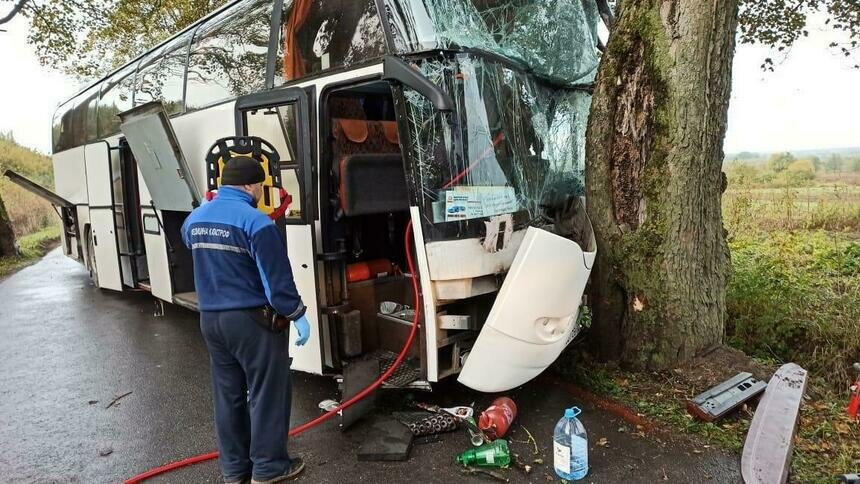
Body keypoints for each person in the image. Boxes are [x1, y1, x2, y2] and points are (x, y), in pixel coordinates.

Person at [182, 155, 310, 484]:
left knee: (229, 396)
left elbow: (188, 242)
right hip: (251, 322)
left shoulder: (195, 219)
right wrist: (297, 314)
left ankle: (235, 470)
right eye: (259, 187)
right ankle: (269, 467)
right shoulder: (257, 222)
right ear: (250, 186)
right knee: (268, 392)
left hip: (211, 321)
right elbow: (276, 281)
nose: (259, 193)